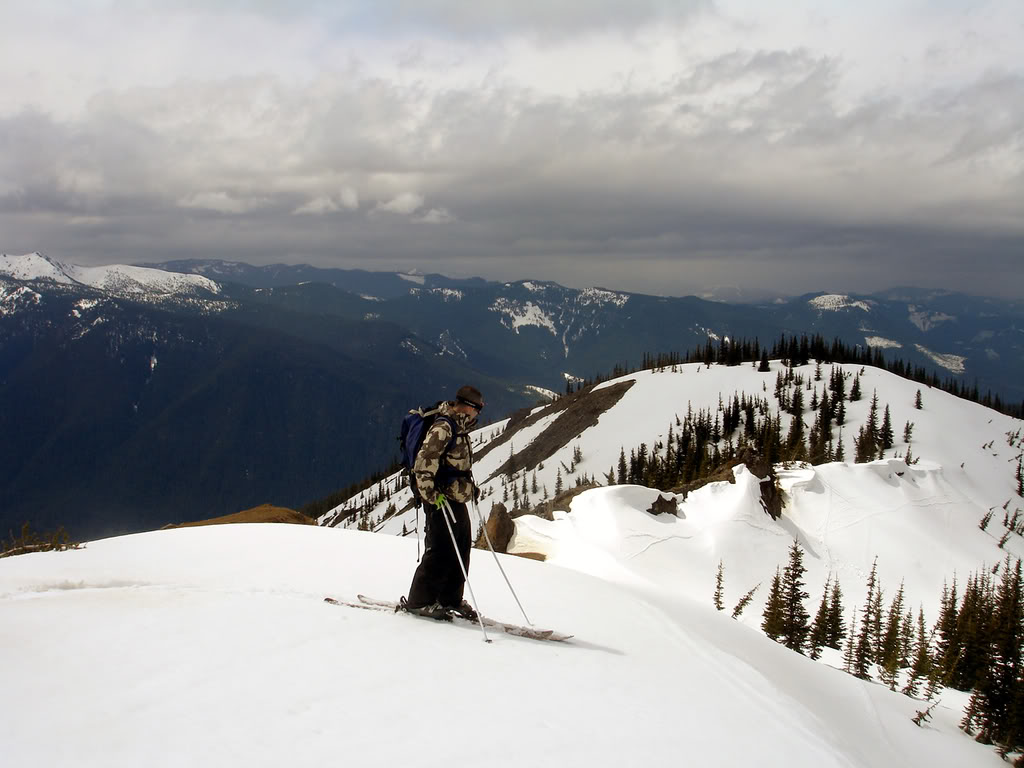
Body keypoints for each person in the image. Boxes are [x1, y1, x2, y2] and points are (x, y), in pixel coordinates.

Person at [402, 385, 485, 621]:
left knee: (460, 547)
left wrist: (469, 489)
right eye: (478, 408)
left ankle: (450, 598)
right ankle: (420, 601)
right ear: (469, 407)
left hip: (454, 497)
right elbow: (424, 463)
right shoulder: (444, 427)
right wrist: (430, 495)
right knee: (439, 549)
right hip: (439, 498)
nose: (478, 413)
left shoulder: (458, 426)